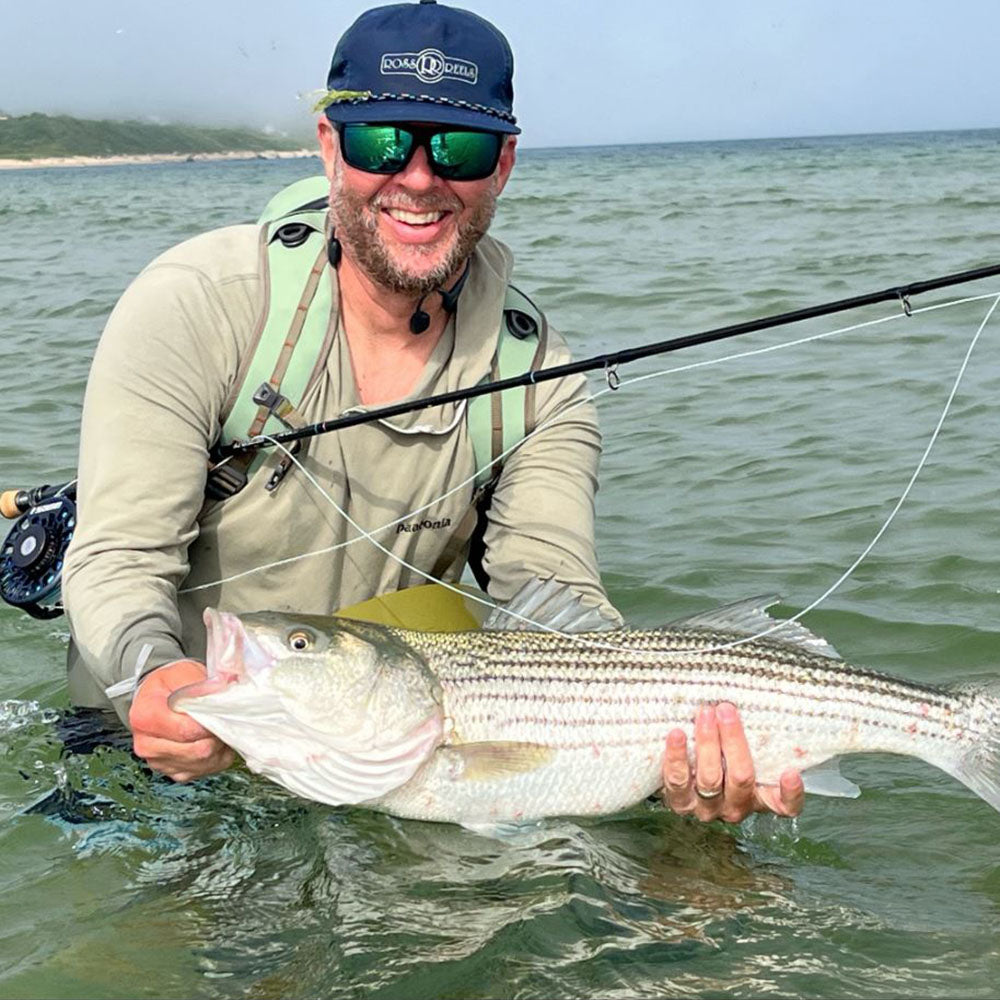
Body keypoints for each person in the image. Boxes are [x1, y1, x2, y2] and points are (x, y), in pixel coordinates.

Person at [62, 0, 803, 823]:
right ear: (329, 148)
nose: (418, 177)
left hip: (391, 757)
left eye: (460, 145)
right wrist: (148, 679)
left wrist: (662, 743)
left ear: (505, 164)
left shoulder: (542, 377)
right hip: (153, 749)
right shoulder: (197, 305)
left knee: (703, 896)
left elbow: (555, 604)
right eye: (383, 140)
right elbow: (117, 560)